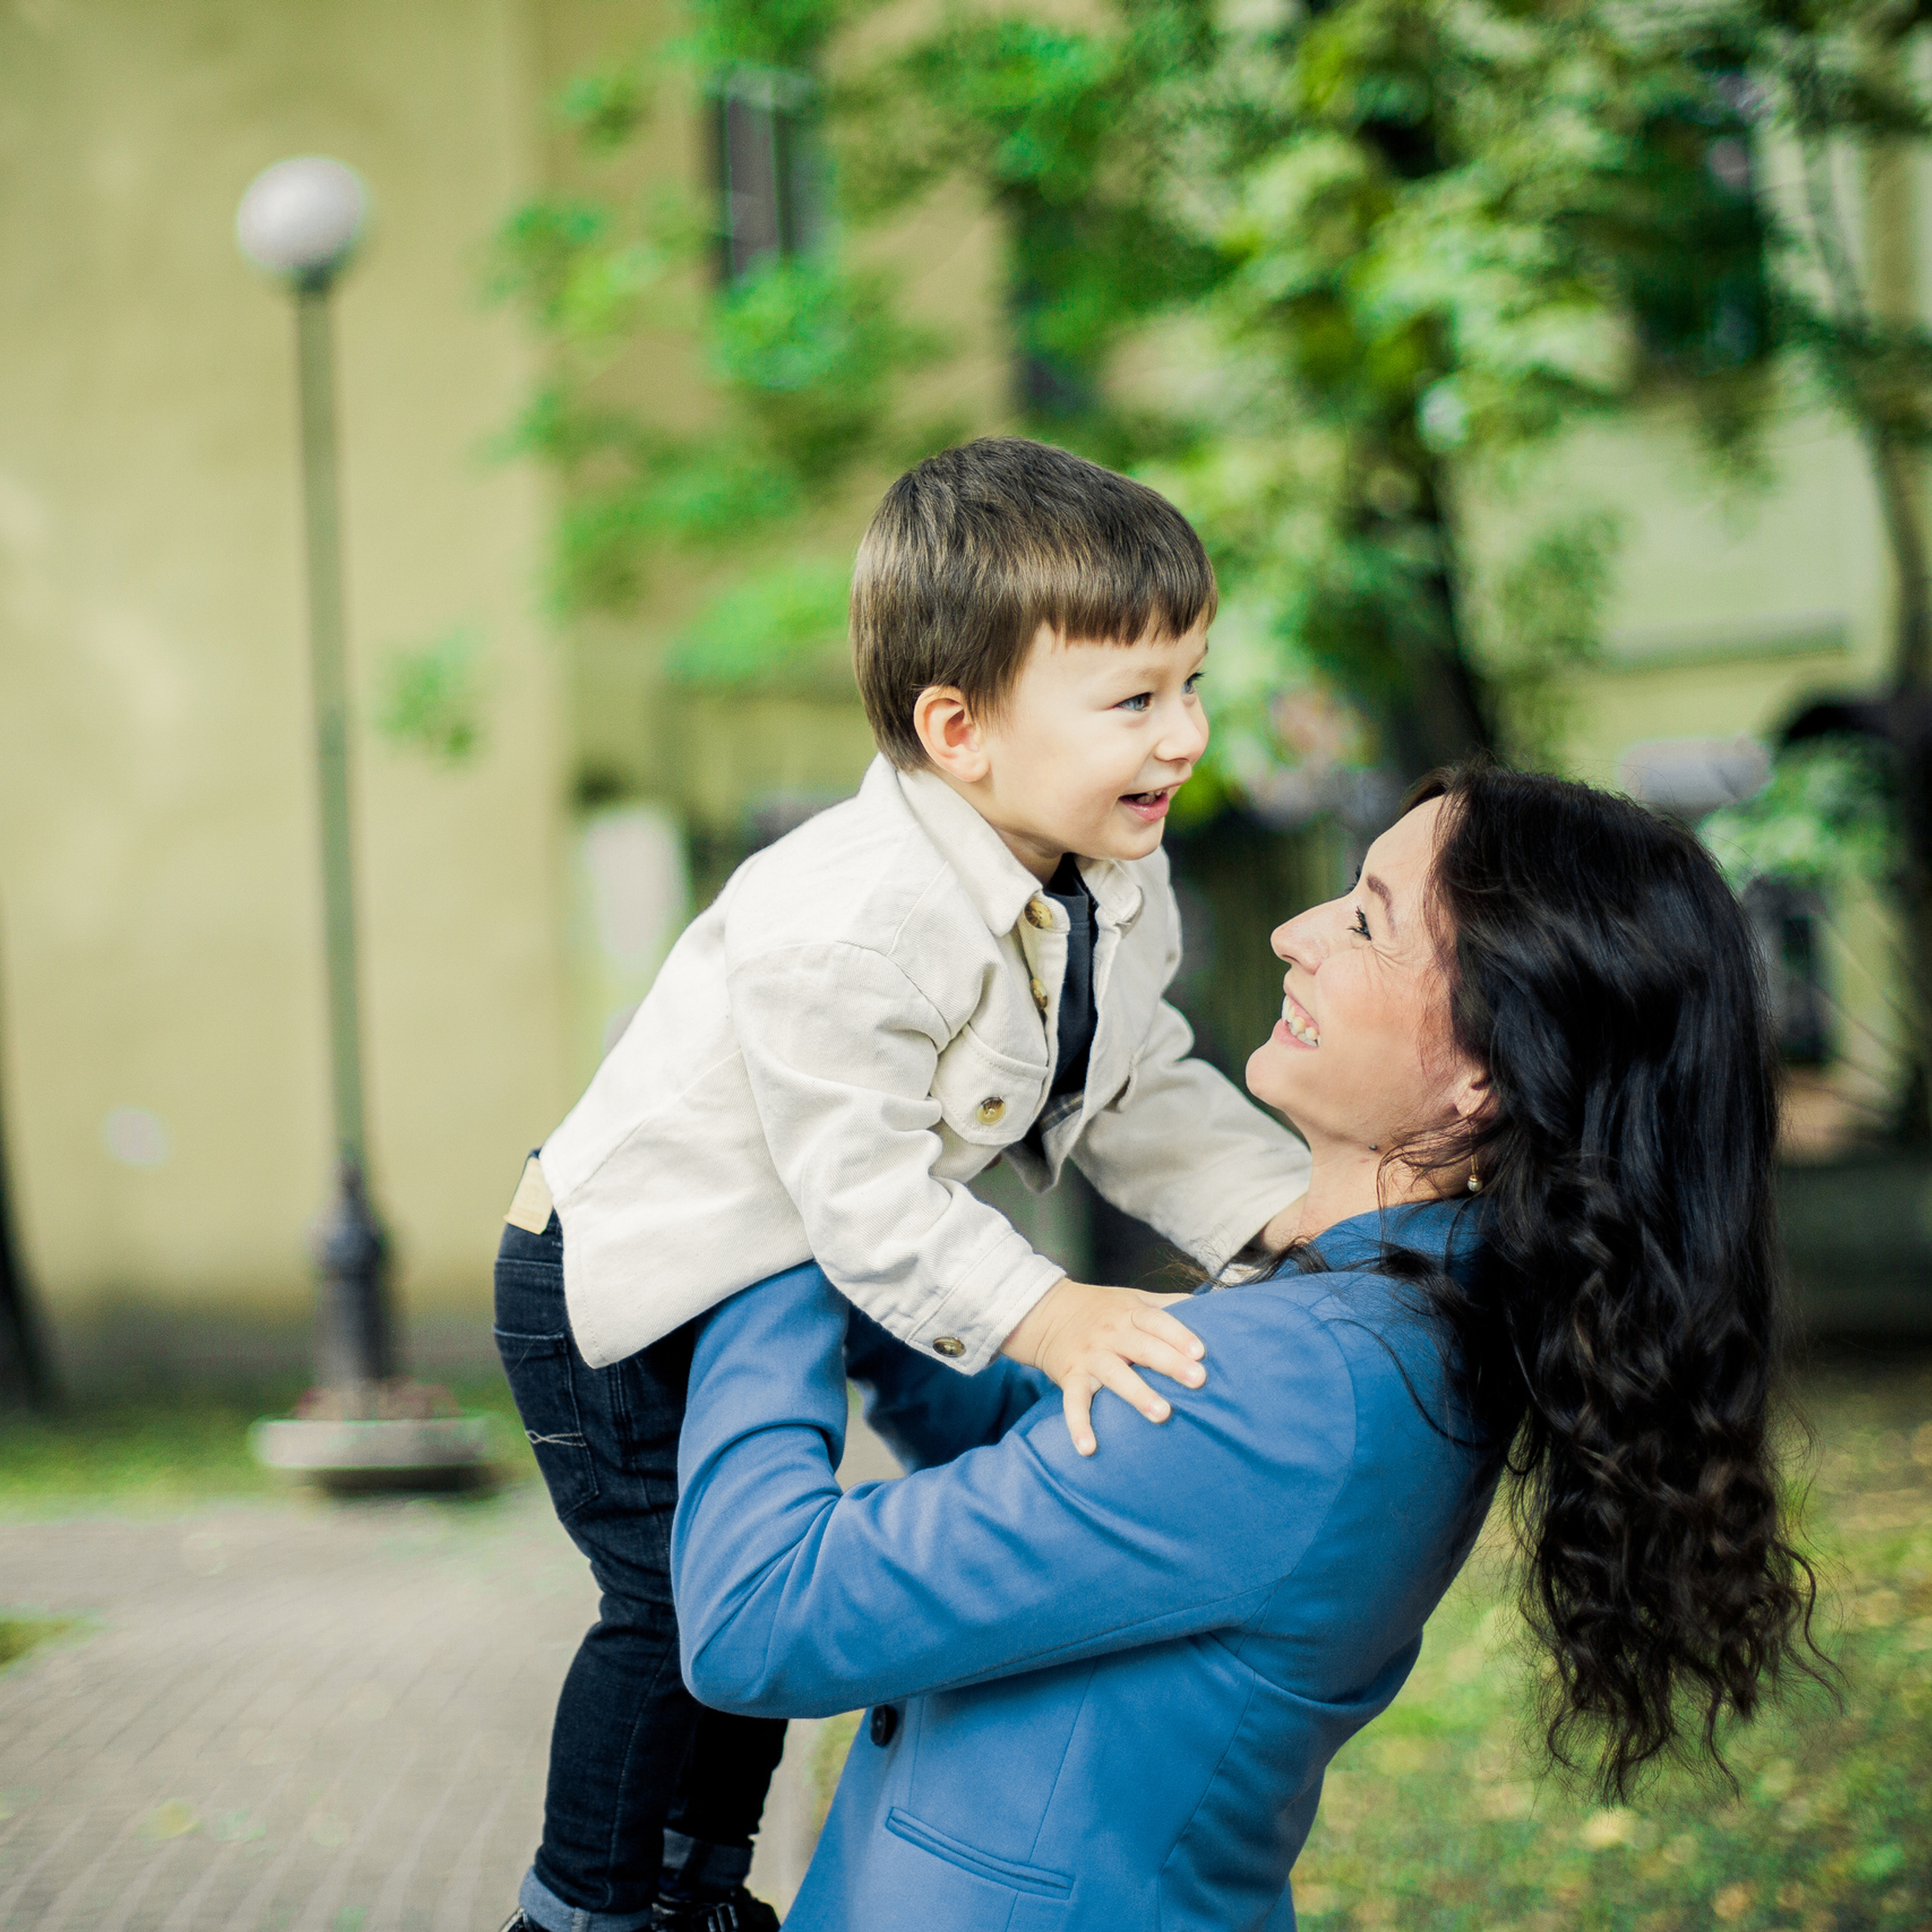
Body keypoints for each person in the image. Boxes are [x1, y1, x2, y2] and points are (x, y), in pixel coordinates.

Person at [670, 765, 1821, 1931]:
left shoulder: (1311, 1380)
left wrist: (774, 1220)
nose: (1294, 934)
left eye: (1367, 920)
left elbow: (760, 1613)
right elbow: (1064, 1478)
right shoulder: (1397, 1309)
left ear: (1487, 1066)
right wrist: (893, 1251)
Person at [494, 438, 1312, 1932]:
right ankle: (588, 1906)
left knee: (762, 1562)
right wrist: (1047, 1312)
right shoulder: (851, 915)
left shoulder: (1111, 873)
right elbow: (868, 1203)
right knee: (679, 1599)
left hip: (784, 1266)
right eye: (1132, 699)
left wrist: (1288, 1209)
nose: (1183, 733)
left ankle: (696, 1876)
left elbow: (1125, 1083)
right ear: (959, 729)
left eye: (1190, 680)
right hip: (613, 1274)